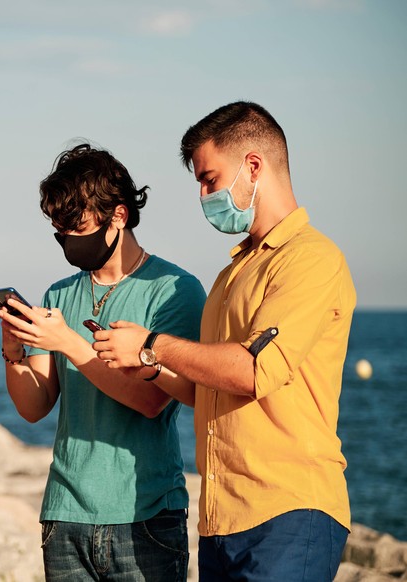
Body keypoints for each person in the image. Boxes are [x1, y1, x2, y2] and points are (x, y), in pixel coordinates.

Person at [92, 102, 356, 581]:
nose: (203, 194)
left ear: (253, 165)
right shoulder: (231, 274)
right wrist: (147, 366)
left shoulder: (311, 259)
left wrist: (152, 343)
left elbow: (253, 370)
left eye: (209, 179)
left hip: (289, 512)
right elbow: (209, 391)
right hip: (222, 521)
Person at [0, 143, 206, 581]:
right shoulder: (59, 294)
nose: (68, 241)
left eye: (77, 227)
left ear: (119, 216)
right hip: (64, 514)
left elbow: (153, 401)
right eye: (59, 232)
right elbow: (34, 407)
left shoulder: (174, 290)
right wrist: (13, 348)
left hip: (145, 514)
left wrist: (71, 343)